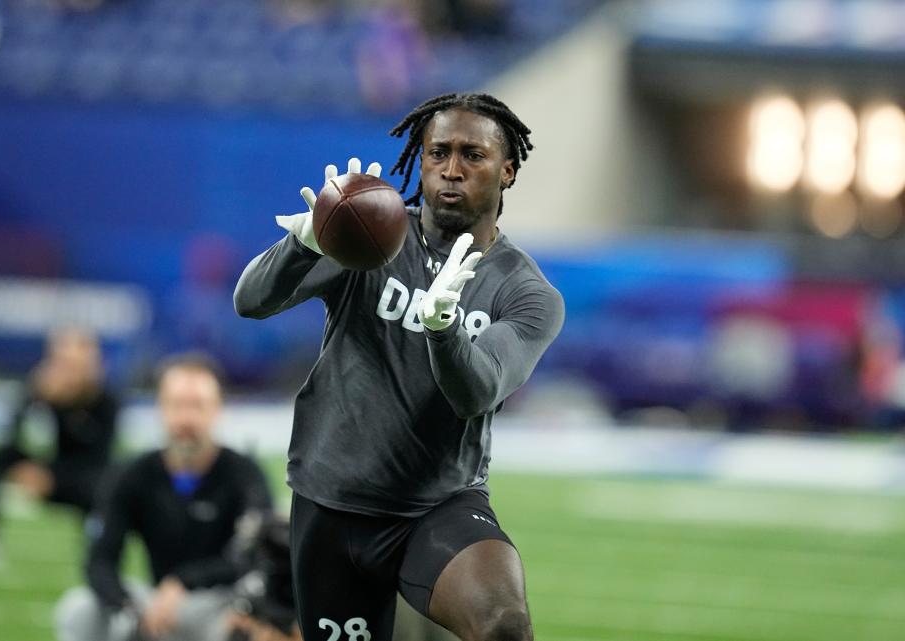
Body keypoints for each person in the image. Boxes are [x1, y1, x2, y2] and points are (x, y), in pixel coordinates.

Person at [234, 92, 564, 641]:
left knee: (504, 624)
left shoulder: (527, 293)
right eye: (438, 153)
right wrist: (306, 244)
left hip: (436, 507)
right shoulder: (368, 236)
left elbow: (476, 392)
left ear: (507, 171)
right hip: (330, 503)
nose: (450, 170)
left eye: (472, 156)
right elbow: (250, 301)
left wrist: (444, 330)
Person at [54, 354, 274, 641]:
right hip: (156, 604)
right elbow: (100, 560)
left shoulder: (243, 474)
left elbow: (256, 556)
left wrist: (184, 582)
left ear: (218, 409)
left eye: (197, 405)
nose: (186, 418)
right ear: (160, 407)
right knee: (79, 609)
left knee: (252, 626)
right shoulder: (133, 473)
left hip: (220, 604)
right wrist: (125, 605)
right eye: (177, 404)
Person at [0, 327, 118, 567]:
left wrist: (52, 478)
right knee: (1, 453)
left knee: (106, 481)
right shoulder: (42, 390)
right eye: (62, 362)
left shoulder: (105, 398)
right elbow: (15, 435)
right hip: (47, 471)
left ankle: (96, 547)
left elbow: (98, 457)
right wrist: (34, 398)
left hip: (83, 480)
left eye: (75, 363)